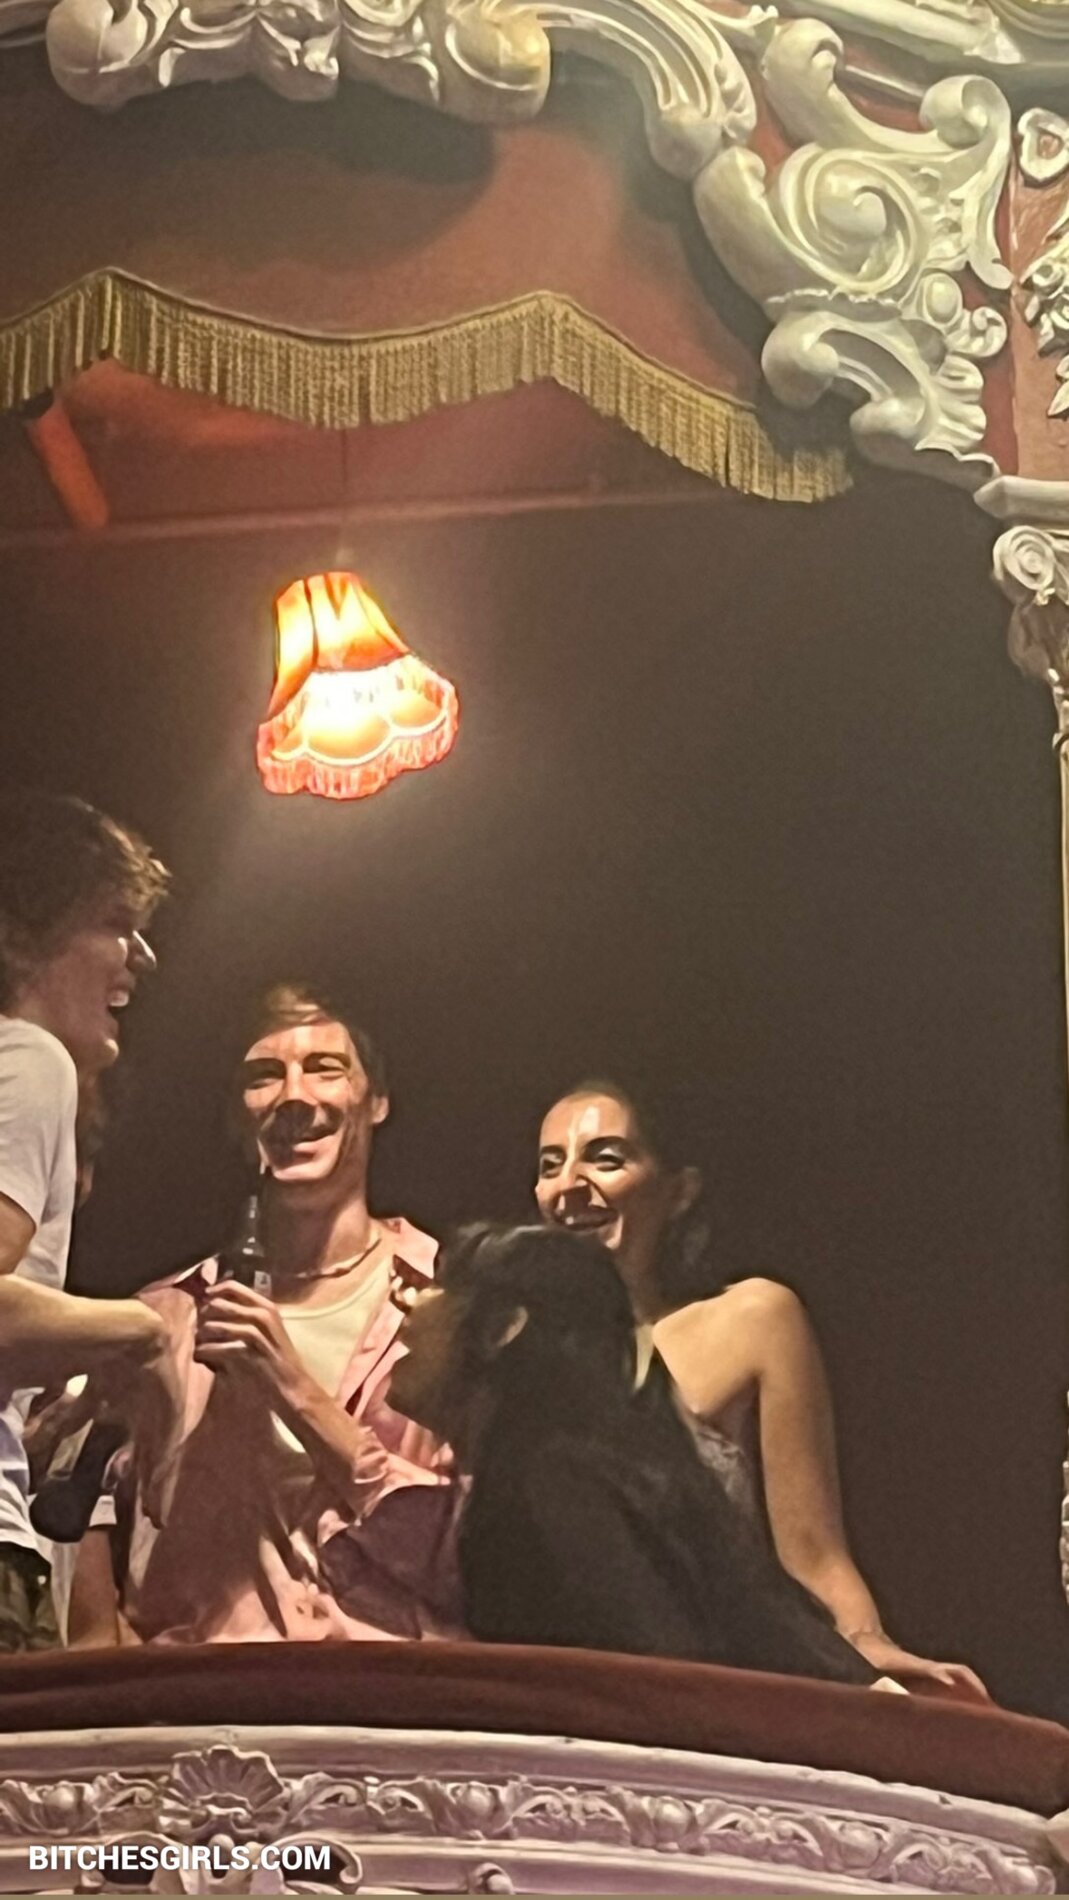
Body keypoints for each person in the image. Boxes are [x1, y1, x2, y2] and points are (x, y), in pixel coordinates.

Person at [533, 1077, 987, 1699]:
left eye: (605, 1159)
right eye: (549, 1165)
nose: (568, 1184)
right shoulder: (516, 1350)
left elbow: (815, 1554)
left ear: (680, 1190)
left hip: (714, 1688)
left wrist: (865, 1648)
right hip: (557, 1689)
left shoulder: (752, 1321)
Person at [64, 982, 456, 1646]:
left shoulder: (455, 1304)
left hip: (393, 1695)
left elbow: (481, 1562)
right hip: (206, 1699)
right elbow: (77, 1514)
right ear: (235, 1119)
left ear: (377, 1101)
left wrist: (292, 1386)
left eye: (325, 1068)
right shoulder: (160, 1321)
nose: (294, 1096)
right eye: (263, 1076)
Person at [389, 1223, 878, 1682]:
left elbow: (652, 1686)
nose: (407, 1301)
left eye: (440, 1285)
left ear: (502, 1328)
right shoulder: (574, 1471)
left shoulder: (554, 1486)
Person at [0, 789, 170, 1651]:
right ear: (25, 935)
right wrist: (140, 1331)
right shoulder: (29, 1058)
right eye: (114, 923)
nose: (140, 955)